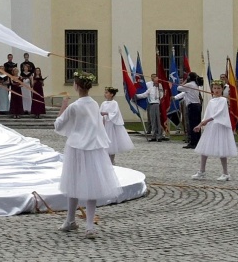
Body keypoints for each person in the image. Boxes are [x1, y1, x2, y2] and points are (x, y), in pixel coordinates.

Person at [55, 72, 121, 239]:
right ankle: (87, 225)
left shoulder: (74, 106)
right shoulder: (94, 104)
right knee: (92, 185)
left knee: (73, 182)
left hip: (77, 147)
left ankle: (71, 220)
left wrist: (63, 105)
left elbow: (58, 125)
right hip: (94, 148)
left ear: (76, 86)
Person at [191, 80, 237, 181]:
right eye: (215, 88)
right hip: (211, 127)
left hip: (220, 126)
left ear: (222, 89)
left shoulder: (223, 100)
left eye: (218, 88)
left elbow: (218, 114)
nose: (216, 90)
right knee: (204, 149)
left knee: (222, 150)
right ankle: (202, 171)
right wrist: (200, 124)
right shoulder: (211, 101)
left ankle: (225, 173)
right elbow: (207, 114)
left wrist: (206, 121)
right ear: (212, 89)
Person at [99, 87, 134, 164]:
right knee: (104, 142)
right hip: (104, 124)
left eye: (107, 93)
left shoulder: (114, 103)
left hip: (111, 125)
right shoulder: (103, 103)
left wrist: (107, 113)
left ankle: (112, 159)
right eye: (105, 93)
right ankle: (105, 159)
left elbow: (115, 113)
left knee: (112, 142)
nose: (105, 94)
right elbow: (100, 112)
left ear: (111, 94)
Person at [174, 72, 202, 149]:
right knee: (196, 124)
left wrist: (185, 81)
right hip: (197, 105)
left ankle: (193, 142)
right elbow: (184, 93)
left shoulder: (190, 84)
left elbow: (178, 88)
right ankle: (196, 141)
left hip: (193, 106)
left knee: (193, 124)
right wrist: (176, 97)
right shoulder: (194, 84)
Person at [136, 74, 165, 141]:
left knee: (158, 120)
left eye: (157, 81)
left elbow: (162, 96)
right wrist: (136, 96)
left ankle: (159, 135)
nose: (156, 82)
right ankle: (153, 135)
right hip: (151, 104)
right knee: (153, 120)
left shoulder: (160, 88)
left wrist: (159, 89)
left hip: (157, 105)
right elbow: (144, 95)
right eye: (155, 80)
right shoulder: (150, 89)